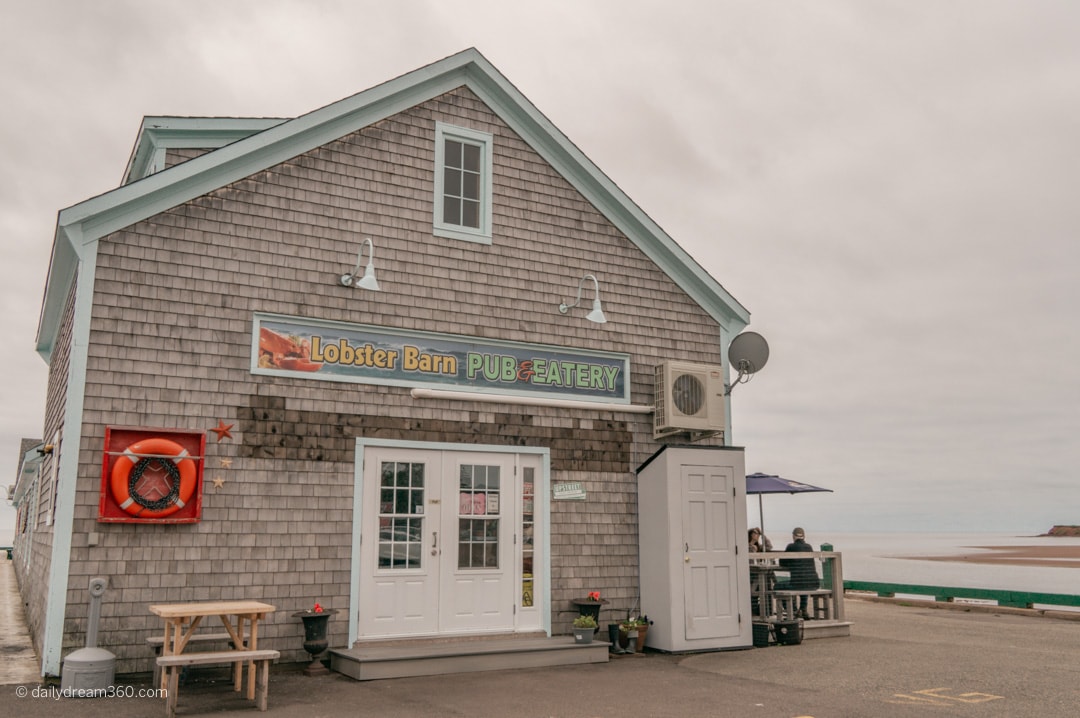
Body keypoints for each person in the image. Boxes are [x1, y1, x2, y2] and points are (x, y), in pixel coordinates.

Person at [778, 527, 820, 619]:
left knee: (778, 586)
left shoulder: (790, 547)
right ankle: (803, 609)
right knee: (803, 583)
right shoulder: (809, 547)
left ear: (793, 536)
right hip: (814, 583)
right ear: (804, 536)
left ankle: (793, 610)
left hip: (798, 583)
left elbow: (782, 562)